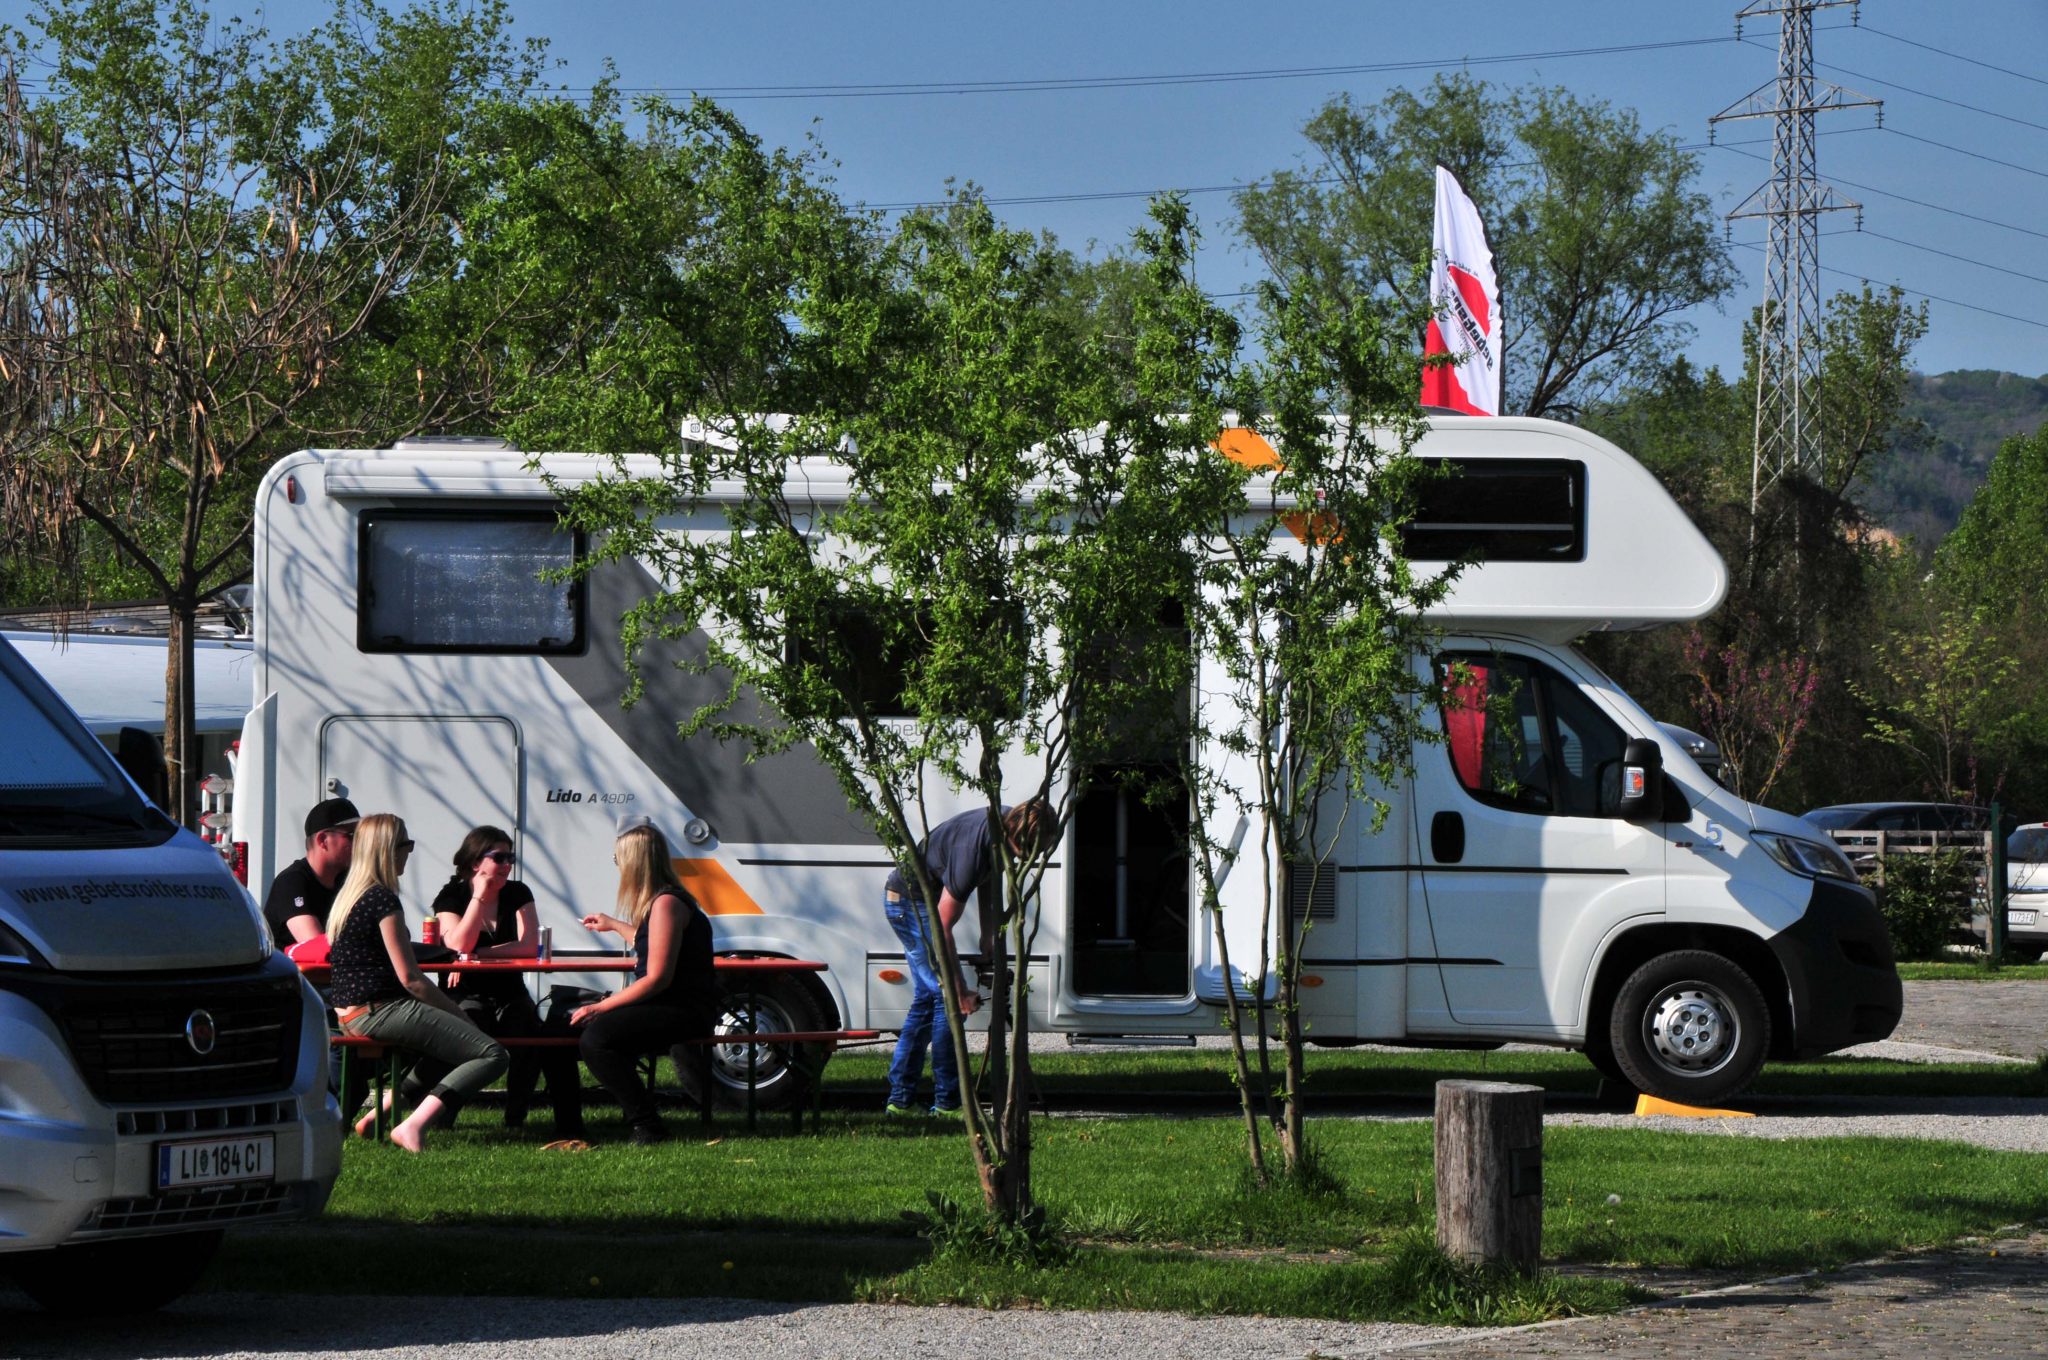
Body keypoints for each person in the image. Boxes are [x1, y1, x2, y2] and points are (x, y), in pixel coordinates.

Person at [327, 813, 508, 1153]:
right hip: (380, 1010)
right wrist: (457, 1011)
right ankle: (413, 1125)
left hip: (349, 1014)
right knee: (492, 1054)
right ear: (386, 850)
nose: (409, 852)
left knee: (451, 1047)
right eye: (406, 845)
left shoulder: (349, 897)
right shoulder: (382, 900)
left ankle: (378, 1116)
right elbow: (410, 979)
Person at [882, 799, 1056, 1117]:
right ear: (1019, 833)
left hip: (918, 901)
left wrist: (989, 935)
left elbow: (987, 880)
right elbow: (942, 927)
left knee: (927, 1000)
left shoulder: (1002, 829)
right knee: (948, 1002)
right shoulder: (974, 848)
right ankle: (948, 1102)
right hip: (910, 904)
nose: (1035, 857)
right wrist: (960, 990)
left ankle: (900, 1100)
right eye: (1032, 848)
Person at [429, 826, 585, 1139]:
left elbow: (530, 945)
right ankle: (444, 1113)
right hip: (466, 992)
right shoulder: (452, 895)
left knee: (528, 1033)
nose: (507, 864)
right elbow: (458, 942)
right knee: (469, 1031)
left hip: (509, 990)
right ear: (476, 862)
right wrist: (478, 898)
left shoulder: (518, 893)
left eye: (510, 857)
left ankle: (516, 1117)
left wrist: (477, 954)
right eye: (499, 857)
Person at [571, 816, 716, 1145]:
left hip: (684, 1010)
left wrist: (601, 1006)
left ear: (634, 863)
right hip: (671, 1005)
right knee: (570, 1028)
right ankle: (570, 1120)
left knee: (597, 1039)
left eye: (617, 859)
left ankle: (647, 1125)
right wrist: (613, 924)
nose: (617, 866)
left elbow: (657, 978)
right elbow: (650, 941)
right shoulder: (664, 902)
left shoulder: (666, 904)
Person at [262, 797, 359, 950]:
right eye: (352, 835)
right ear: (323, 840)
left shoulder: (347, 880)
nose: (360, 843)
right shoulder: (291, 882)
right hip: (296, 973)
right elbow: (317, 947)